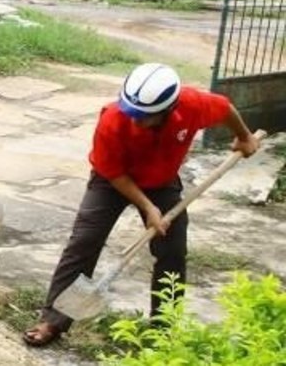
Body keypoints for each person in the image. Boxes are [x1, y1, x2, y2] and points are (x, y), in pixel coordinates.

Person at [22, 63, 260, 348]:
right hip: (112, 181)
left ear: (168, 110)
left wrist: (244, 136)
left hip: (162, 182)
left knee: (172, 251)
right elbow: (114, 173)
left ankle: (162, 329)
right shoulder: (113, 118)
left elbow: (224, 108)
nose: (134, 120)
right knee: (84, 241)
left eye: (143, 117)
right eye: (132, 112)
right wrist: (148, 208)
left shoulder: (193, 104)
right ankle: (53, 319)